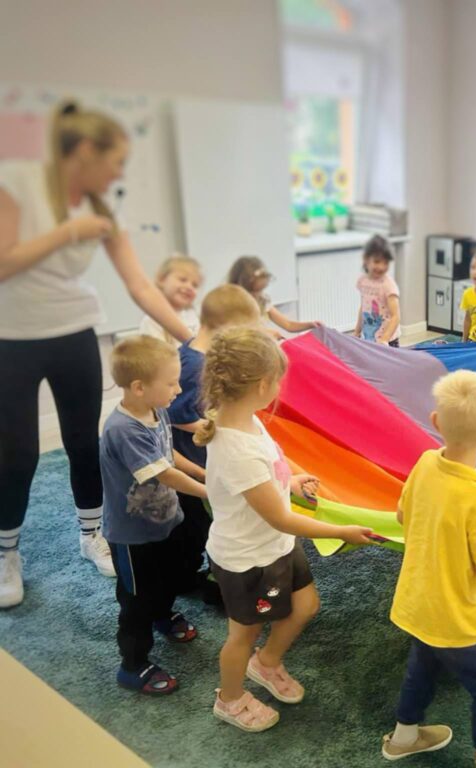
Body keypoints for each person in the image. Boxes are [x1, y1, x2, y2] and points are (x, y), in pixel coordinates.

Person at [0, 101, 192, 608]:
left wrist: (191, 338)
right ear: (85, 151)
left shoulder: (103, 209)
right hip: (11, 337)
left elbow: (140, 285)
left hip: (74, 332)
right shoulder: (17, 182)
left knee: (84, 443)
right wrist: (66, 232)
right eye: (116, 161)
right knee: (16, 453)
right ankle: (6, 553)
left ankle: (91, 535)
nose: (119, 174)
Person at [196, 327, 372, 732]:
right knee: (244, 634)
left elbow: (267, 471)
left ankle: (267, 662)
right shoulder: (235, 448)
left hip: (274, 546)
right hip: (247, 560)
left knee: (305, 606)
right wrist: (339, 531)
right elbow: (279, 517)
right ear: (262, 385)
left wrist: (288, 481)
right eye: (278, 380)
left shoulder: (248, 421)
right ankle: (230, 699)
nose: (280, 388)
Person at [382, 371, 476, 768]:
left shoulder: (424, 463)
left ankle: (404, 737)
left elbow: (402, 514)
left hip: (418, 602)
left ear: (436, 422)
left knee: (422, 666)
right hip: (456, 616)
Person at [100, 336, 208, 695]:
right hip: (132, 535)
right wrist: (211, 492)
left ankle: (163, 614)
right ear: (139, 387)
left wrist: (203, 474)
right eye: (172, 383)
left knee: (167, 576)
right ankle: (133, 665)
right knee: (137, 597)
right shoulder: (123, 429)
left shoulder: (156, 410)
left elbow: (168, 455)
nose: (179, 390)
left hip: (165, 519)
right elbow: (163, 473)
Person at [168, 285, 262, 600]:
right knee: (200, 523)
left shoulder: (198, 352)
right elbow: (175, 415)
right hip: (192, 459)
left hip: (199, 454)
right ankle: (204, 580)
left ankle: (197, 573)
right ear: (227, 327)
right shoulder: (195, 365)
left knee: (203, 520)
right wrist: (219, 428)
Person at [227, 255, 319, 339]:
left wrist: (311, 324)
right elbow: (239, 334)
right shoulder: (231, 308)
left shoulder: (262, 301)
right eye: (253, 291)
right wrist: (265, 333)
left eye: (260, 290)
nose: (258, 295)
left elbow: (288, 325)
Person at [139, 254, 203, 348]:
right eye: (183, 280)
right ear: (162, 279)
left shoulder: (194, 315)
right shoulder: (151, 321)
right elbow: (155, 355)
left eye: (195, 285)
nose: (189, 287)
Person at [354, 235, 401, 346]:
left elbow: (395, 316)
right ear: (366, 259)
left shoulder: (388, 285)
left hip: (388, 342)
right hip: (368, 338)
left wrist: (385, 339)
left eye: (385, 263)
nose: (381, 267)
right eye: (377, 261)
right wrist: (357, 331)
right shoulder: (363, 281)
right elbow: (363, 308)